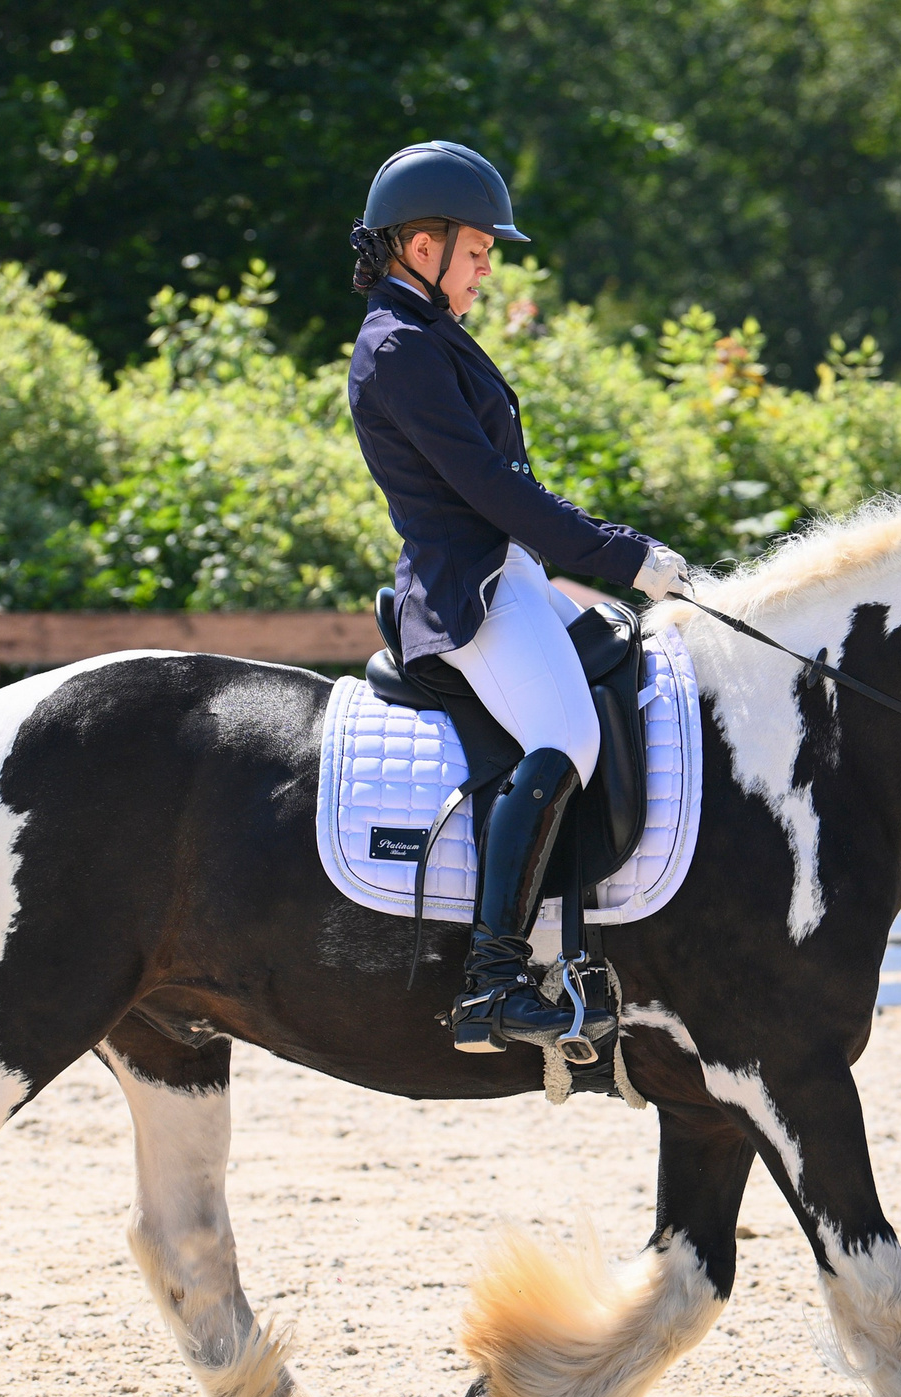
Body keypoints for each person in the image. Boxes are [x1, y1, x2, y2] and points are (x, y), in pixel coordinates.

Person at [345, 139, 691, 1056]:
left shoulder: (429, 336)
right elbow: (492, 492)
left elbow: (510, 490)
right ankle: (492, 980)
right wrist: (622, 553)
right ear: (424, 247)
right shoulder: (399, 349)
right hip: (470, 595)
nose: (488, 266)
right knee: (564, 737)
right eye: (480, 249)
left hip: (513, 576)